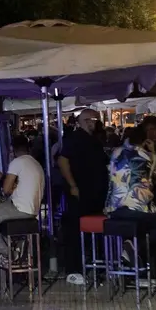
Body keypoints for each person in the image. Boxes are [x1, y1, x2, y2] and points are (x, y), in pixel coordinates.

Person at [103, 121, 156, 281]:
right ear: (144, 140)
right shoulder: (146, 155)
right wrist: (153, 153)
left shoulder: (115, 152)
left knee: (147, 227)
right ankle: (139, 251)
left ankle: (130, 251)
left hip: (114, 209)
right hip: (139, 209)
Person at [57, 109, 109, 280]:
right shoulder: (75, 139)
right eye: (90, 119)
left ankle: (96, 264)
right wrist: (73, 185)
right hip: (80, 192)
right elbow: (62, 160)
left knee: (90, 229)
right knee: (74, 229)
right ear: (82, 121)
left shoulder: (93, 140)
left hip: (93, 193)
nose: (93, 122)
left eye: (95, 119)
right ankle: (74, 269)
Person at [0, 135, 44, 268]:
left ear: (13, 150)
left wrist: (4, 178)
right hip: (30, 207)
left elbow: (6, 189)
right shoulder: (35, 163)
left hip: (19, 207)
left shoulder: (17, 162)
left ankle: (7, 253)